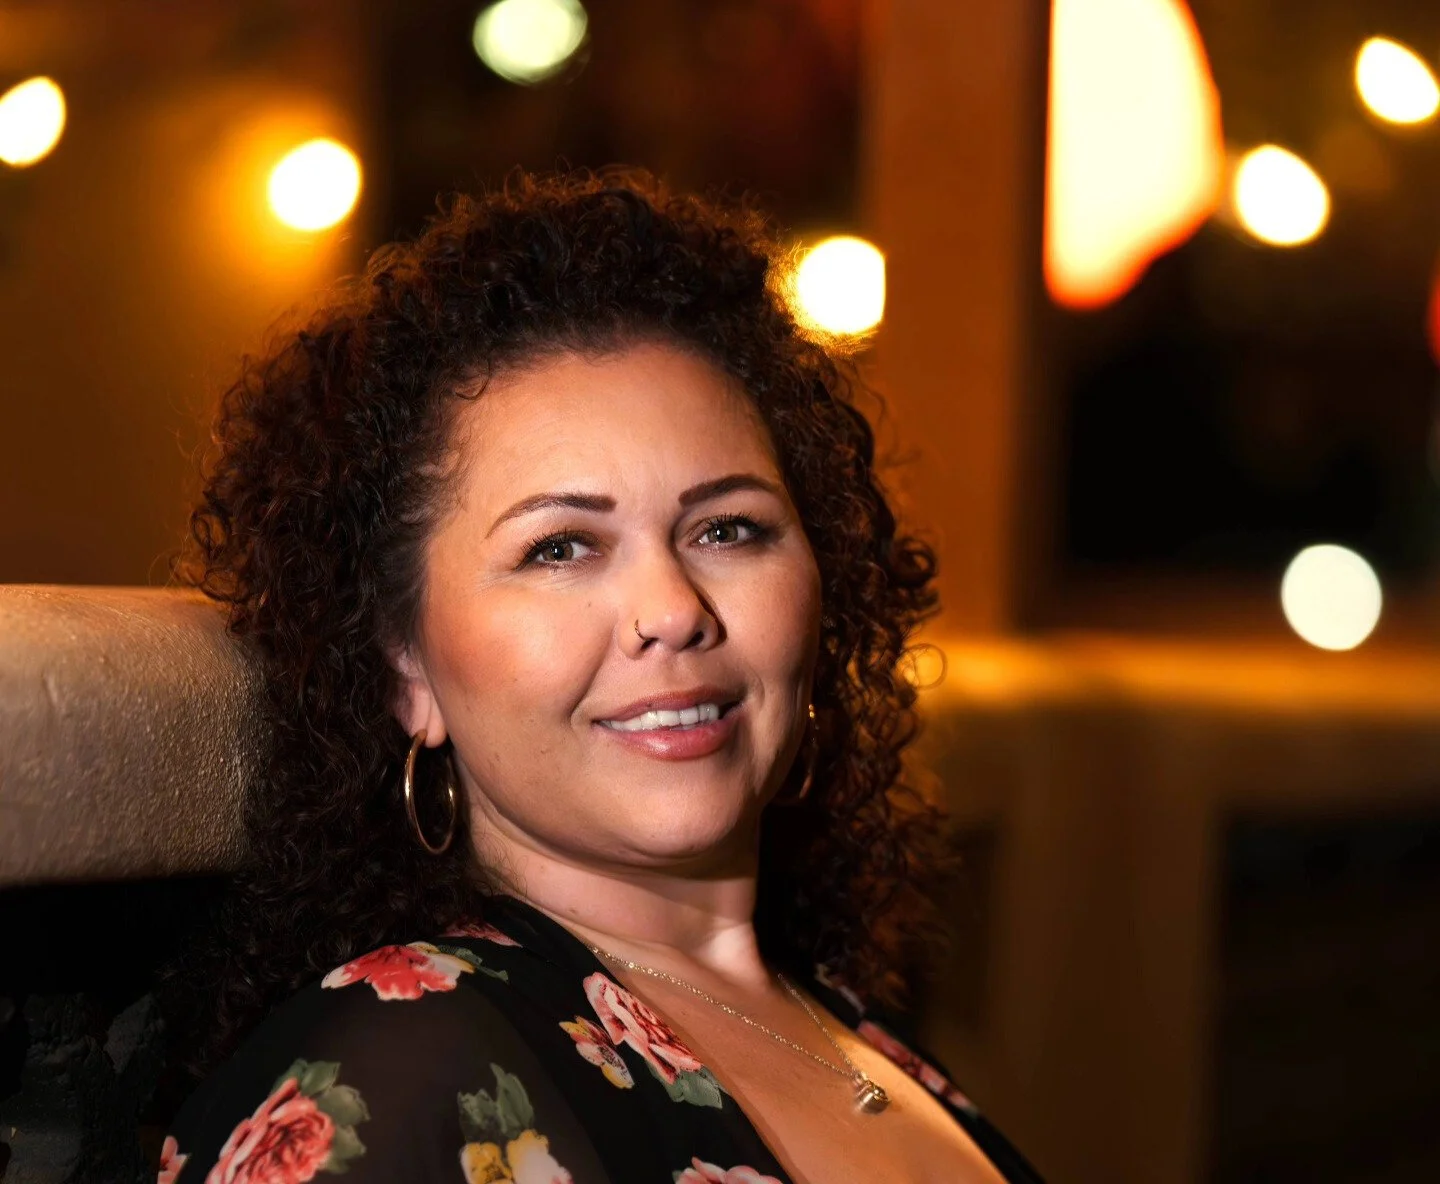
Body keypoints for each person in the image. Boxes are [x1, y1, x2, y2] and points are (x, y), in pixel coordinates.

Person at [160, 169, 1045, 1184]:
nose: (672, 609)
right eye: (561, 548)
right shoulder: (387, 1077)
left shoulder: (853, 1022)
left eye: (728, 528)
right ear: (406, 666)